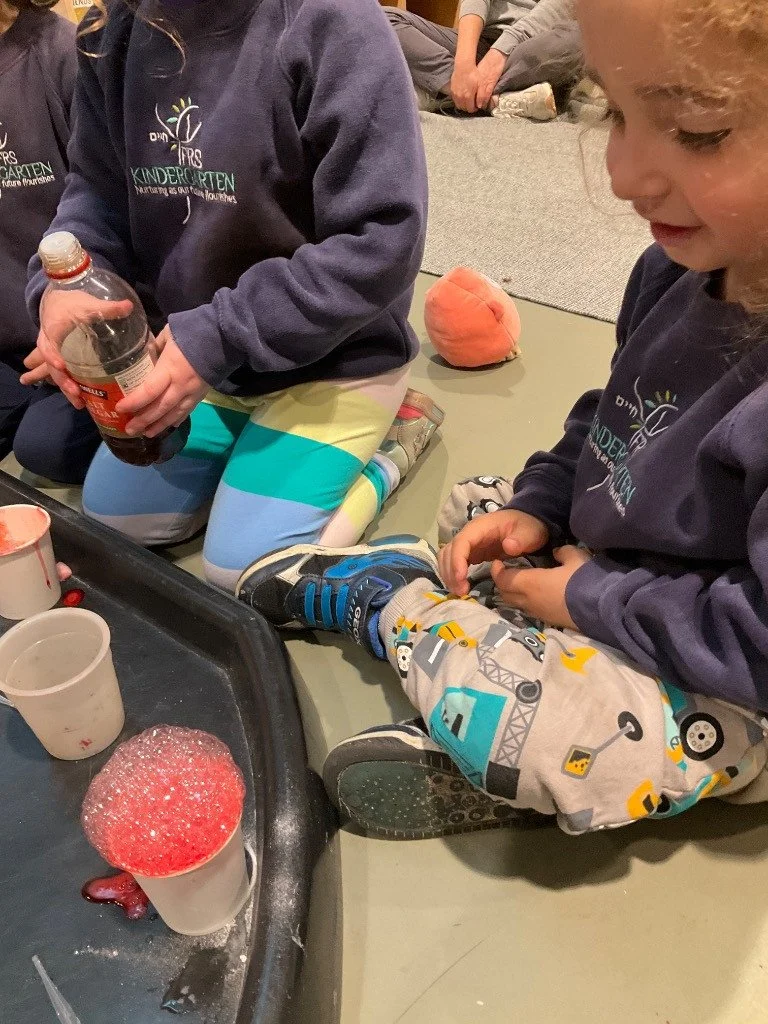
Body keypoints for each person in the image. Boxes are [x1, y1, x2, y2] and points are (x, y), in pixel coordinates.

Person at [237, 0, 768, 840]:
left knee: (576, 735)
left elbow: (755, 642)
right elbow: (617, 417)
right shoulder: (675, 266)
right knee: (480, 510)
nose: (625, 174)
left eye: (695, 130)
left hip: (726, 673)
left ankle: (396, 605)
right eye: (617, 113)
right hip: (615, 573)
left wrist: (589, 598)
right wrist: (543, 506)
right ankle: (482, 644)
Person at [24, 0, 442, 591]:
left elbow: (383, 239)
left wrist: (222, 333)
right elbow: (93, 194)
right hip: (205, 361)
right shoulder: (111, 30)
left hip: (332, 356)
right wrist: (60, 288)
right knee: (118, 518)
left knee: (241, 568)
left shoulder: (332, 20)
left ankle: (397, 438)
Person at [0, 0, 101, 483]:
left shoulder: (64, 55)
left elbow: (103, 211)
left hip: (79, 339)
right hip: (9, 347)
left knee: (44, 448)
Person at [385, 0, 581, 120]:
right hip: (482, 39)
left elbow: (559, 7)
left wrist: (499, 53)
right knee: (384, 18)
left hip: (534, 46)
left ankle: (446, 93)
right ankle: (479, 97)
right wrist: (464, 64)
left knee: (581, 39)